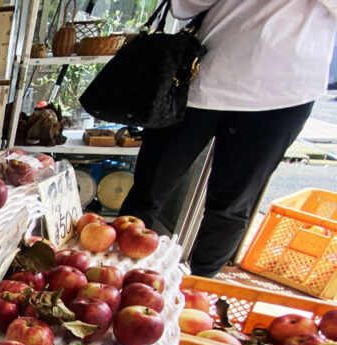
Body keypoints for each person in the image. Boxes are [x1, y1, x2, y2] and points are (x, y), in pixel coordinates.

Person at [118, 0, 337, 277]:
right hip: (198, 80)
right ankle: (113, 275)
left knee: (231, 208)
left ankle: (201, 289)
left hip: (284, 95)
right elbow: (183, 7)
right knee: (148, 191)